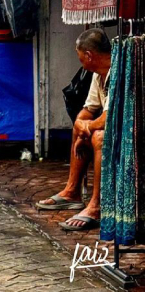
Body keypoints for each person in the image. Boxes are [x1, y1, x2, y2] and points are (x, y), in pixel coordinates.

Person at [36, 28, 111, 232]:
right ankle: (72, 192)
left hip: (126, 130)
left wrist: (87, 128)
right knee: (83, 130)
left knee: (98, 137)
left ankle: (96, 205)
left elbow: (108, 116)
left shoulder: (118, 72)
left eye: (81, 58)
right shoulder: (97, 76)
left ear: (89, 55)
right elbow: (88, 110)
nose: (81, 63)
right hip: (104, 124)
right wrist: (81, 127)